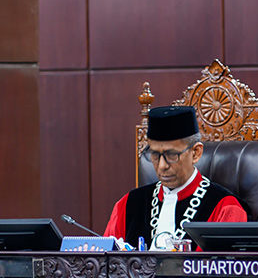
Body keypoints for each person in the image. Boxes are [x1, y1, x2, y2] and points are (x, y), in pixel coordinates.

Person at [105, 106, 247, 247]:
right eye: (155, 155)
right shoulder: (126, 205)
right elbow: (105, 258)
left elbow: (225, 261)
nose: (162, 166)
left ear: (195, 153)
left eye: (172, 155)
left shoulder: (226, 208)